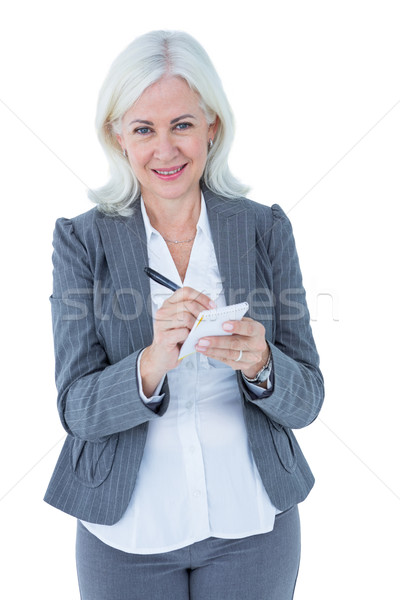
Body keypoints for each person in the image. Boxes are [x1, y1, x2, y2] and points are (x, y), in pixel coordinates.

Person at [44, 30, 324, 600]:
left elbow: (309, 399)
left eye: (183, 125)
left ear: (212, 127)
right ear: (117, 135)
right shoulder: (81, 241)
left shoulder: (265, 230)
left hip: (252, 525)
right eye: (144, 128)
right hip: (126, 531)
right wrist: (147, 365)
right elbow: (76, 409)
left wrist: (263, 364)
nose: (165, 149)